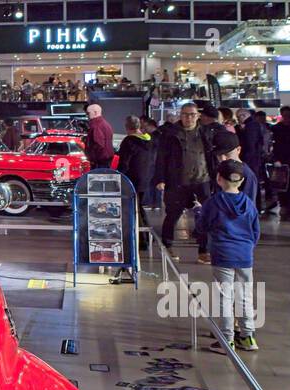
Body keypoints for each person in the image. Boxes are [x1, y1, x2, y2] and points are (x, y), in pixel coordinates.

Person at [194, 159, 261, 352]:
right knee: (245, 296)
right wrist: (247, 248)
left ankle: (227, 339)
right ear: (241, 181)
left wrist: (198, 211)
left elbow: (202, 227)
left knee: (225, 297)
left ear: (218, 179)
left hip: (223, 255)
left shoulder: (213, 203)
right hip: (245, 256)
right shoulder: (249, 203)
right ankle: (248, 337)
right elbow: (256, 231)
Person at [156, 102, 213, 261]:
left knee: (204, 216)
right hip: (177, 181)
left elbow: (212, 155)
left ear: (198, 116)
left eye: (192, 114)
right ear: (180, 115)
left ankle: (204, 251)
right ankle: (167, 246)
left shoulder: (205, 132)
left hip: (202, 180)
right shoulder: (170, 133)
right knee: (173, 215)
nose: (189, 118)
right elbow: (161, 158)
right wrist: (160, 178)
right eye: (185, 114)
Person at [114, 115, 156, 283]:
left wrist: (118, 178)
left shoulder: (129, 142)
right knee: (140, 209)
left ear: (127, 126)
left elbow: (124, 163)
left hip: (131, 181)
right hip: (146, 181)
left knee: (133, 211)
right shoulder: (149, 141)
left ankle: (140, 241)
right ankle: (145, 240)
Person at [210, 128, 257, 208]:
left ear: (238, 150)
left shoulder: (247, 174)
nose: (223, 159)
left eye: (227, 154)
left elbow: (247, 207)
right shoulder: (218, 169)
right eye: (218, 155)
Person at [238, 110, 271, 211]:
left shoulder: (250, 126)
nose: (238, 119)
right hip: (255, 159)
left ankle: (254, 207)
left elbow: (249, 144)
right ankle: (256, 206)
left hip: (250, 160)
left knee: (250, 184)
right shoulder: (255, 126)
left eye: (239, 117)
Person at [84, 103, 115, 169]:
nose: (87, 115)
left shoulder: (96, 126)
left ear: (95, 112)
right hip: (106, 160)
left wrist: (93, 159)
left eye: (88, 113)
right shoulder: (105, 124)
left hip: (99, 162)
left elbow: (98, 144)